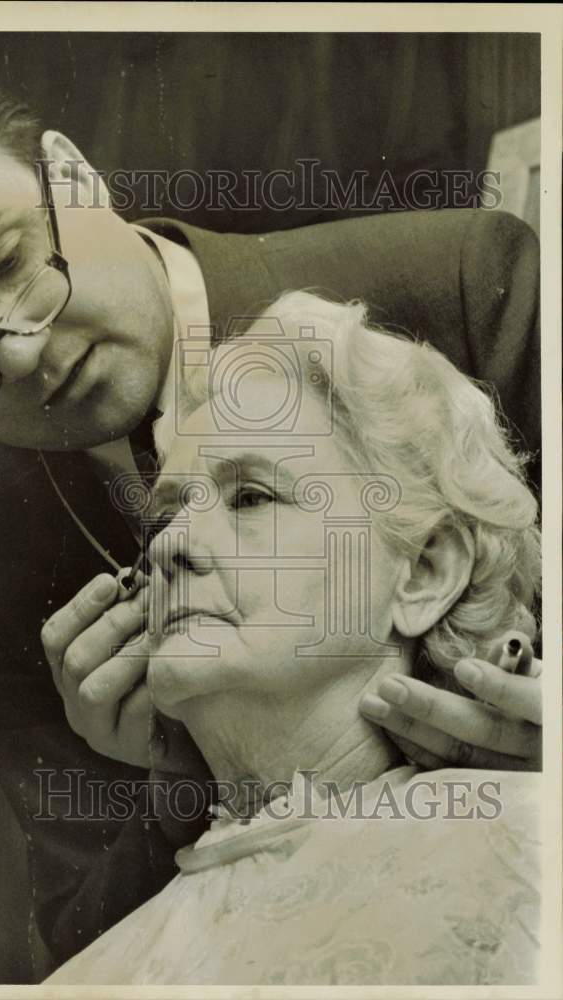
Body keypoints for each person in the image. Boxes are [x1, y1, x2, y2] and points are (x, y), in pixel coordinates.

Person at [0, 64, 542, 966]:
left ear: (72, 174)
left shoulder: (458, 279)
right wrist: (166, 782)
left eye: (6, 263)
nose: (19, 355)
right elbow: (80, 933)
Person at [46, 291, 542, 985]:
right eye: (162, 521)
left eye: (250, 497)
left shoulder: (536, 861)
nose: (172, 545)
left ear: (425, 572)